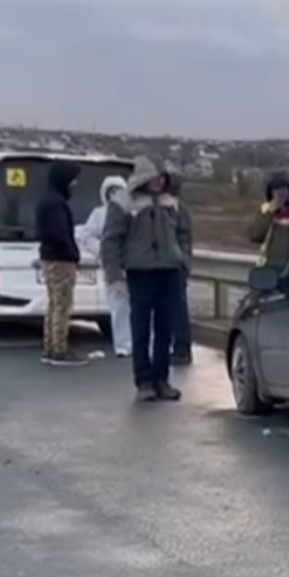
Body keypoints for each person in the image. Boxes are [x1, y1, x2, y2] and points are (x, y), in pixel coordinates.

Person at [100, 157, 192, 402]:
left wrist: (183, 262)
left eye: (162, 177)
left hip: (169, 270)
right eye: (155, 177)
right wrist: (115, 275)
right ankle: (143, 380)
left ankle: (161, 379)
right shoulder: (124, 202)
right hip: (140, 271)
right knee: (140, 327)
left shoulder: (172, 202)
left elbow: (184, 233)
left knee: (165, 328)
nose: (159, 182)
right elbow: (111, 240)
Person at [36, 160, 87, 366]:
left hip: (49, 257)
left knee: (53, 303)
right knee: (62, 304)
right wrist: (73, 253)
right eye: (72, 180)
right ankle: (59, 349)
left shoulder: (46, 200)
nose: (74, 184)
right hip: (61, 259)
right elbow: (60, 234)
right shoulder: (56, 204)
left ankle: (50, 346)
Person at [77, 174, 132, 358]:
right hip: (112, 265)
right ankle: (123, 344)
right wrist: (102, 250)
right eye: (112, 191)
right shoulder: (99, 214)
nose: (115, 195)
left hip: (132, 265)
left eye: (118, 191)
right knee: (118, 307)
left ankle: (138, 342)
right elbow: (86, 236)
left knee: (135, 307)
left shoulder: (131, 212)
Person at [165, 172, 194, 366]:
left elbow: (183, 239)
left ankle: (182, 348)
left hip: (175, 265)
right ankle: (178, 346)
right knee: (174, 308)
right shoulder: (173, 208)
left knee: (178, 309)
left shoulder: (176, 210)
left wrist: (181, 262)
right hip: (172, 264)